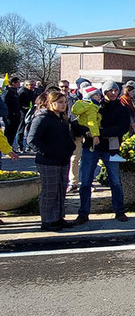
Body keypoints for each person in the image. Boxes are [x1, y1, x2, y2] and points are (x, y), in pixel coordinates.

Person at [75, 81, 131, 225]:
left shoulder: (122, 108)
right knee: (86, 181)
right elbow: (77, 123)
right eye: (110, 90)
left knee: (115, 181)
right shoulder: (93, 105)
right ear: (103, 92)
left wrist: (99, 133)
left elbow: (122, 128)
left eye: (115, 90)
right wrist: (87, 133)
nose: (113, 93)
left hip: (111, 148)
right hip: (91, 147)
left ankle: (119, 210)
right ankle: (83, 213)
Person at [27, 91, 77, 231]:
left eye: (65, 102)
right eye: (60, 102)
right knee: (50, 191)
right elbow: (32, 140)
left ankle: (58, 217)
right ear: (51, 103)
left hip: (62, 160)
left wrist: (70, 147)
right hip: (48, 161)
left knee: (61, 190)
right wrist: (49, 152)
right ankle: (48, 220)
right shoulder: (42, 118)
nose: (63, 105)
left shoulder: (61, 118)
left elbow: (65, 136)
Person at [2, 77, 22, 151]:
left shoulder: (15, 91)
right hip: (10, 116)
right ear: (13, 83)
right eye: (18, 82)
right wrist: (7, 116)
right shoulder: (7, 92)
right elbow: (5, 104)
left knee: (13, 132)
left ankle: (10, 146)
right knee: (8, 132)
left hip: (16, 115)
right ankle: (7, 148)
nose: (19, 84)